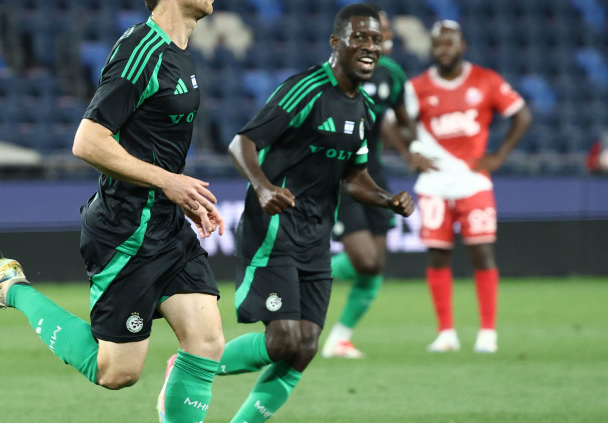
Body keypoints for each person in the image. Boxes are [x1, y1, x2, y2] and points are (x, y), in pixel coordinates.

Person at [0, 1, 228, 422]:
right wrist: (167, 182)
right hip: (126, 232)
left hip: (165, 223)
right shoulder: (141, 51)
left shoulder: (178, 53)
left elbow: (152, 143)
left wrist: (179, 196)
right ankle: (11, 288)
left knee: (206, 342)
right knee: (117, 372)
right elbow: (88, 141)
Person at [204, 5, 412, 422]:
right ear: (336, 43)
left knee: (305, 348)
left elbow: (354, 176)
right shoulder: (306, 89)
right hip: (274, 229)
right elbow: (242, 143)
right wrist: (263, 187)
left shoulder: (365, 109)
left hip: (317, 237)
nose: (370, 46)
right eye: (359, 37)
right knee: (283, 339)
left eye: (376, 39)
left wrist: (386, 199)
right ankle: (191, 365)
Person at [403, 20, 531, 353]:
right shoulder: (417, 87)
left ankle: (487, 332)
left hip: (473, 181)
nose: (443, 50)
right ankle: (446, 333)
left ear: (462, 46)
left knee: (482, 253)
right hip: (433, 184)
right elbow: (392, 123)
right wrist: (409, 153)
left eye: (449, 43)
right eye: (437, 44)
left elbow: (522, 115)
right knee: (437, 256)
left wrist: (500, 155)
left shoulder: (486, 80)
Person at [321, 6, 413, 359]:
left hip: (375, 171)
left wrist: (412, 146)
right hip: (342, 175)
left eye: (383, 31)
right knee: (364, 260)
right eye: (371, 32)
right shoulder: (339, 71)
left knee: (374, 265)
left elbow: (403, 119)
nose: (379, 37)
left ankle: (340, 339)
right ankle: (301, 272)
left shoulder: (392, 75)